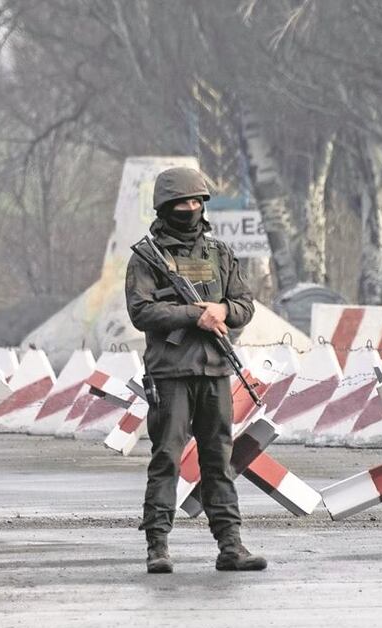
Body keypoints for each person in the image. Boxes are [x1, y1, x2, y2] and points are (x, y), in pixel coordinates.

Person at [124, 166, 267, 574]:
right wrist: (193, 316)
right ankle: (157, 545)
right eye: (183, 203)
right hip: (171, 372)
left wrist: (223, 310)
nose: (191, 208)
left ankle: (230, 545)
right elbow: (141, 310)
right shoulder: (147, 258)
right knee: (167, 457)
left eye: (197, 202)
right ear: (166, 207)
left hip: (215, 370)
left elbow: (244, 304)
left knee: (218, 460)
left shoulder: (219, 253)